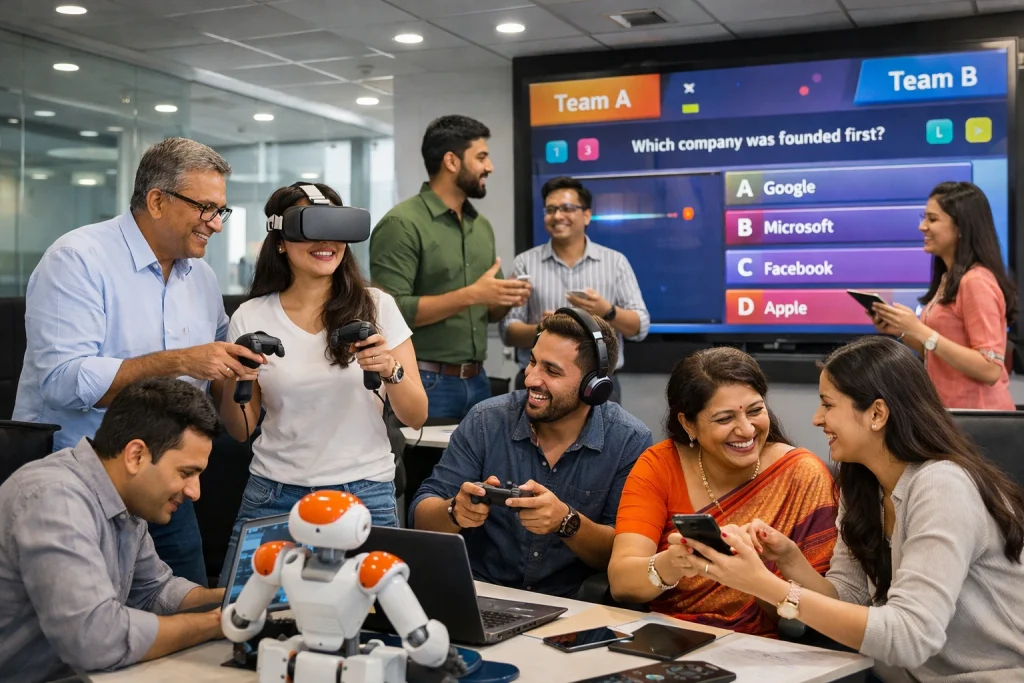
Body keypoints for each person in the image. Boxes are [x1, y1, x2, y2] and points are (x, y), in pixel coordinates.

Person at [684, 336, 1024, 680]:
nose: (817, 419)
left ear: (877, 413)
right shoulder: (863, 483)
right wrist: (788, 561)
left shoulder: (943, 486)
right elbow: (849, 599)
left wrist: (766, 586)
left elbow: (910, 637)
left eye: (828, 405)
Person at [12, 137, 263, 586]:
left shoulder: (200, 277)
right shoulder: (78, 259)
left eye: (220, 211)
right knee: (90, 637)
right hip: (79, 488)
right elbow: (62, 382)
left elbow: (221, 365)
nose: (216, 225)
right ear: (157, 201)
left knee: (186, 611)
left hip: (166, 487)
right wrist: (180, 361)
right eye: (206, 209)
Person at [215, 182, 427, 586]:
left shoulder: (378, 306)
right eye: (311, 228)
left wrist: (390, 371)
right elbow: (240, 427)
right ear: (280, 240)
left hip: (365, 491)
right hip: (275, 491)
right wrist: (237, 381)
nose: (327, 241)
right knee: (240, 615)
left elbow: (416, 415)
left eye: (336, 226)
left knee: (377, 618)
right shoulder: (249, 316)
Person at [411, 309, 652, 597]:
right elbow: (420, 516)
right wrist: (454, 511)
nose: (530, 379)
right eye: (532, 362)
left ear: (594, 387)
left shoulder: (628, 440)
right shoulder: (485, 420)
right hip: (482, 595)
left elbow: (623, 554)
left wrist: (567, 522)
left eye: (551, 370)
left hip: (571, 608)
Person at [0, 378, 227, 683]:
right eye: (186, 472)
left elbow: (155, 590)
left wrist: (228, 600)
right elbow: (95, 638)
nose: (195, 491)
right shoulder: (55, 499)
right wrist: (214, 624)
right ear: (136, 456)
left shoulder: (124, 500)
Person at [606, 347, 837, 636]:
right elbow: (621, 583)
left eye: (755, 411)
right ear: (687, 423)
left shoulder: (801, 474)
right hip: (665, 640)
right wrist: (673, 563)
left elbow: (829, 611)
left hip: (764, 650)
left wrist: (761, 575)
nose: (746, 430)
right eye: (725, 419)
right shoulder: (660, 465)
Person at [370, 115, 530, 420]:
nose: (490, 167)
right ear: (451, 162)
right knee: (426, 469)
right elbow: (391, 312)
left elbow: (488, 308)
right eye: (481, 157)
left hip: (479, 381)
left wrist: (505, 298)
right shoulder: (401, 224)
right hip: (426, 381)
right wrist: (473, 294)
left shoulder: (480, 225)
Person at [500, 176, 650, 404]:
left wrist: (606, 311)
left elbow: (639, 327)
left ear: (586, 215)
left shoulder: (615, 262)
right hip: (538, 383)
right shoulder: (525, 263)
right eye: (550, 209)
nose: (558, 216)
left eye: (567, 208)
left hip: (597, 383)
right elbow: (508, 331)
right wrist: (542, 329)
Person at [870, 181, 1017, 409]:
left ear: (960, 228)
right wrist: (903, 332)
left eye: (933, 219)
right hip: (950, 415)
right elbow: (942, 355)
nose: (922, 227)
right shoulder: (948, 279)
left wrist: (920, 330)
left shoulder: (976, 281)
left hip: (979, 420)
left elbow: (990, 368)